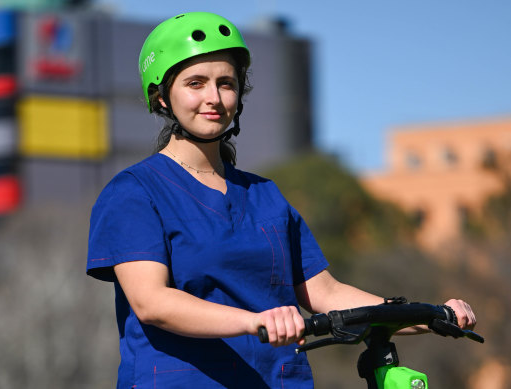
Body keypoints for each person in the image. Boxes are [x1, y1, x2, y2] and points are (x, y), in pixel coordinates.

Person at [86, 11, 476, 388]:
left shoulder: (265, 195)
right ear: (161, 97)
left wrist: (428, 315)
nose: (215, 97)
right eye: (195, 83)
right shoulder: (135, 191)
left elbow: (327, 293)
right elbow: (152, 303)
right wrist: (255, 320)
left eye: (226, 82)